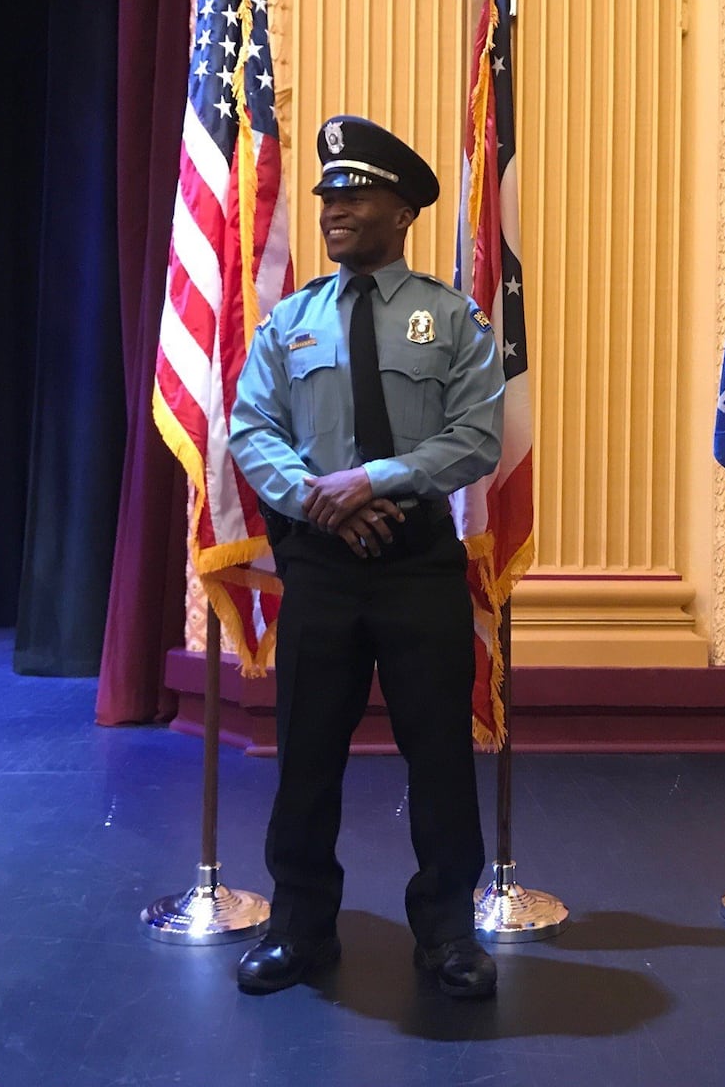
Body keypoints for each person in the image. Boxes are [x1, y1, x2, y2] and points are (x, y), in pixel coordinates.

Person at [227, 115, 505, 998]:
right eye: (327, 197)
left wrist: (374, 480)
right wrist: (326, 500)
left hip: (418, 564)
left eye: (354, 193)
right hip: (322, 565)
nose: (334, 209)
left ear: (404, 208)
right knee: (307, 752)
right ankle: (301, 927)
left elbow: (478, 437)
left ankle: (448, 935)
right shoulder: (291, 321)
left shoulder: (450, 317)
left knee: (438, 754)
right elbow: (252, 429)